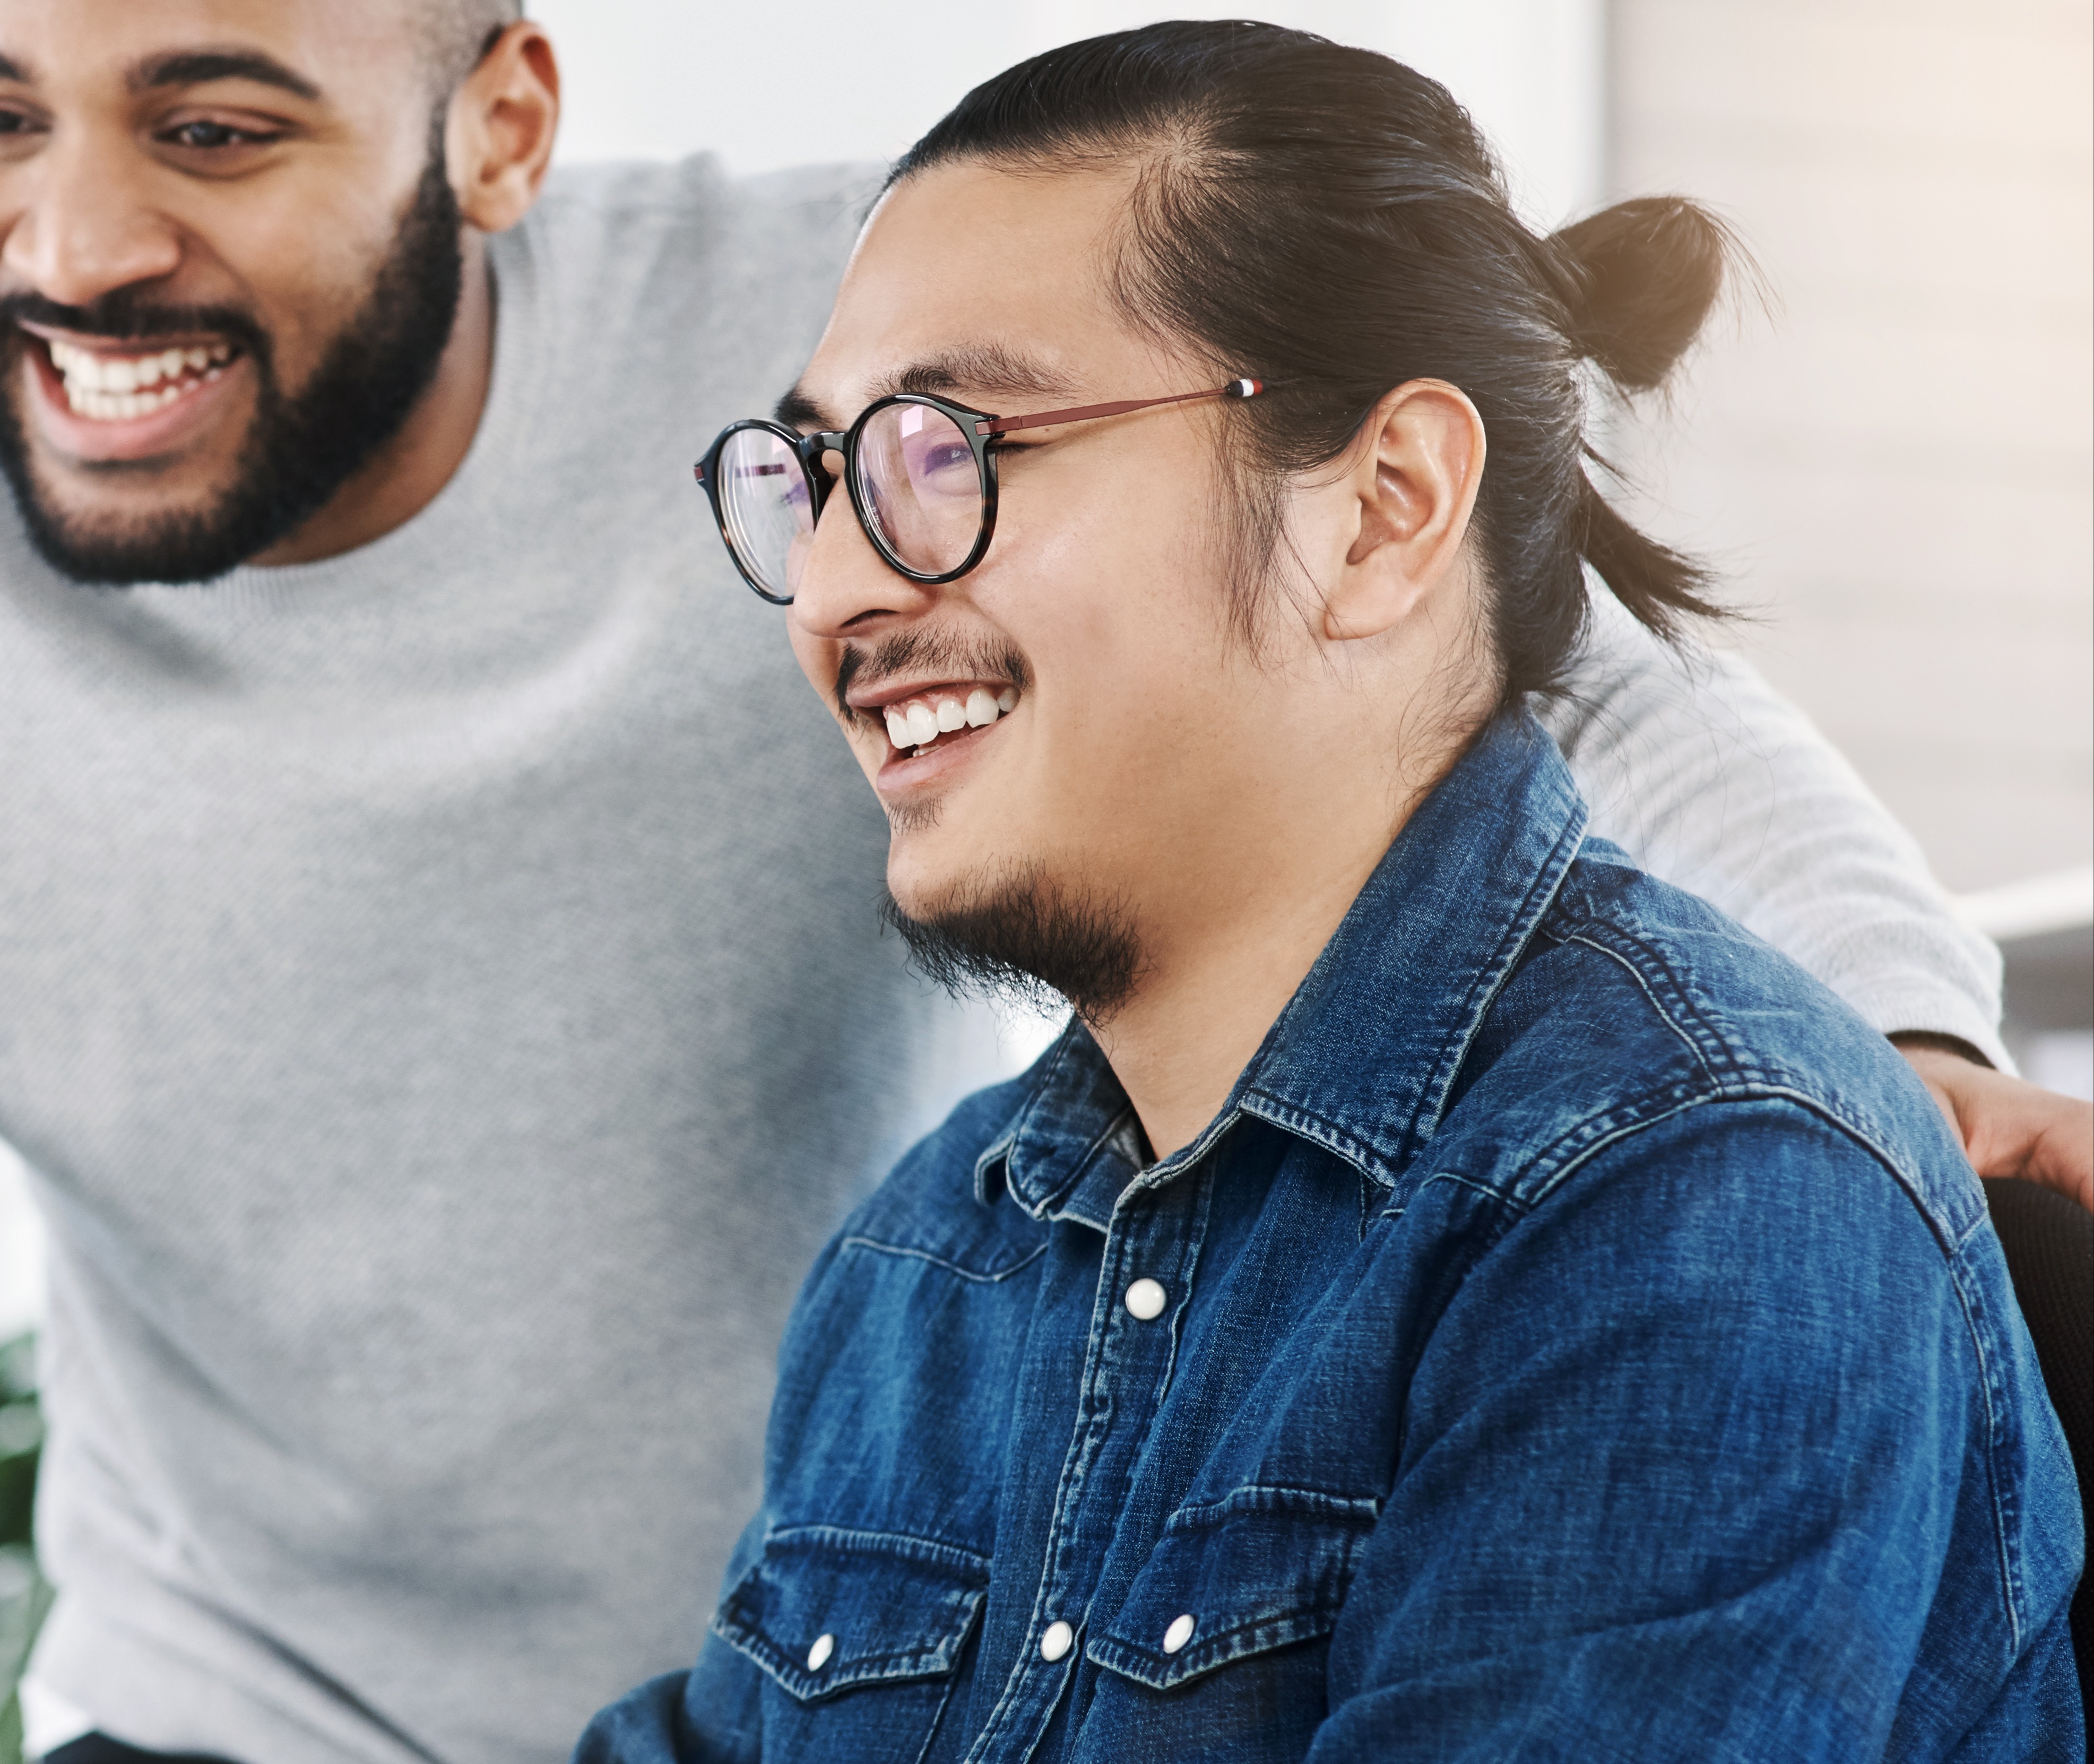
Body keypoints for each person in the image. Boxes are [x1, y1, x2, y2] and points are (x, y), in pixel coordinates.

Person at [0, 5, 2091, 1760]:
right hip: (340, 1695)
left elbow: (1529, 630)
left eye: (217, 122)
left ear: (500, 122)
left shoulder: (881, 330)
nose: (74, 243)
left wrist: (1889, 1047)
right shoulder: (944, 1251)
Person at [577, 23, 2080, 1761]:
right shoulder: (929, 1252)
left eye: (952, 447)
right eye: (822, 478)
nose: (835, 592)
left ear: (1382, 510)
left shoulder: (1702, 1197)